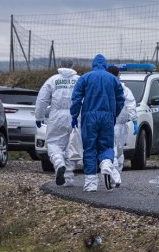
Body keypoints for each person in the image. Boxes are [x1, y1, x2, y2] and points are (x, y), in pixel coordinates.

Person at [70, 54, 124, 192]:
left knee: (90, 148)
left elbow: (76, 99)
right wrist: (114, 114)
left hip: (89, 116)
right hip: (107, 117)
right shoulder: (113, 79)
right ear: (105, 65)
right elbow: (121, 99)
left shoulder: (85, 78)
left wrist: (74, 115)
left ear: (93, 65)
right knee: (106, 146)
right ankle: (106, 163)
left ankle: (91, 183)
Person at [35, 58, 80, 186]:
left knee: (54, 143)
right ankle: (69, 178)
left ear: (60, 65)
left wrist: (39, 117)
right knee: (72, 146)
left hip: (56, 116)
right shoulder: (79, 80)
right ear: (72, 65)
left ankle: (59, 163)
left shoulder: (53, 80)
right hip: (75, 117)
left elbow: (42, 100)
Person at [106, 65, 137, 187]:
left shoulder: (105, 88)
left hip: (109, 124)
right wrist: (134, 120)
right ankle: (116, 175)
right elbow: (131, 104)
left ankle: (115, 176)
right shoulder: (124, 89)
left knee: (113, 151)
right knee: (118, 152)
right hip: (120, 125)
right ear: (118, 74)